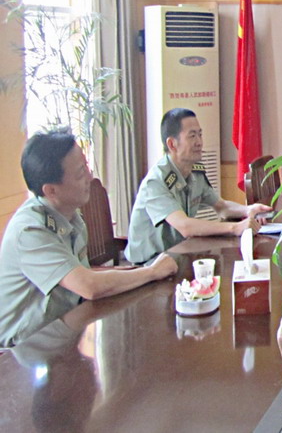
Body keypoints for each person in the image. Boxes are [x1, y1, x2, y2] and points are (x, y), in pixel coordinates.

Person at [0, 129, 178, 348]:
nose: (90, 176)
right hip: (21, 350)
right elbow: (88, 286)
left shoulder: (70, 215)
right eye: (80, 173)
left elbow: (85, 279)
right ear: (51, 190)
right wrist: (152, 272)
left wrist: (142, 273)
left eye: (86, 166)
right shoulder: (30, 231)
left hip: (63, 329)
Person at [125, 108, 270, 264]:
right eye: (192, 136)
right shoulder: (156, 182)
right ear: (172, 144)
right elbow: (185, 226)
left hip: (179, 255)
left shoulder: (195, 171)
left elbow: (221, 207)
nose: (199, 142)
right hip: (149, 264)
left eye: (200, 134)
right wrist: (235, 228)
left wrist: (248, 210)